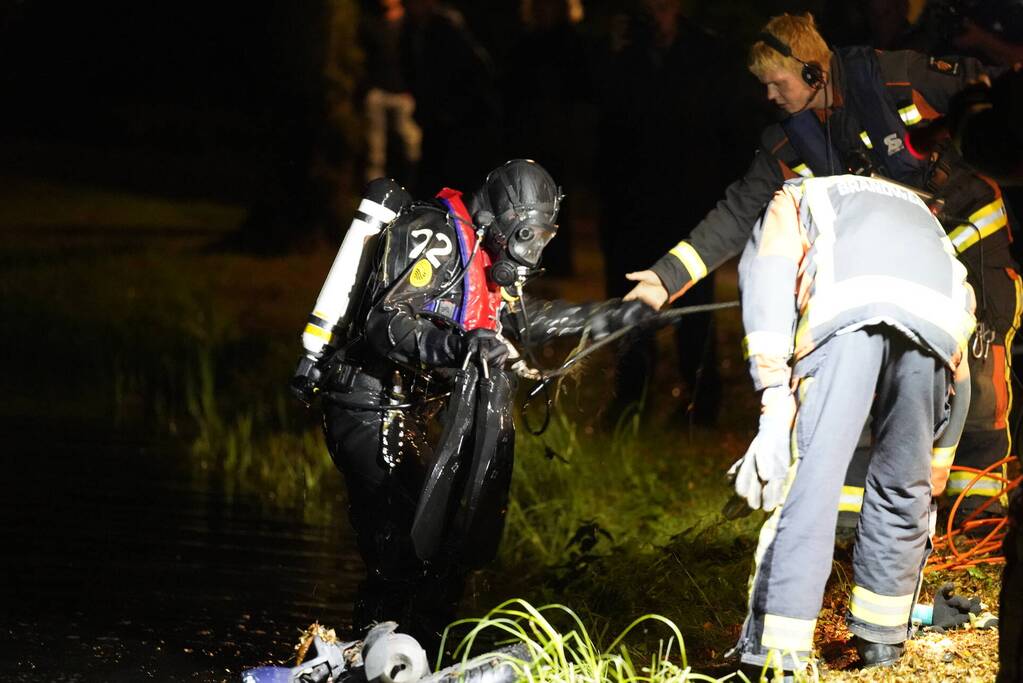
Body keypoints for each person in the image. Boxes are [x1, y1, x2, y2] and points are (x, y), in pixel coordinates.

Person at [625, 11, 1019, 522]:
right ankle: (876, 517)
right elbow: (737, 211)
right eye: (763, 86)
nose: (769, 96)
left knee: (982, 374)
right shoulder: (788, 142)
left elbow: (994, 99)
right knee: (893, 376)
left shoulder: (898, 77)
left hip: (974, 239)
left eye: (776, 82)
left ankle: (979, 517)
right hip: (909, 267)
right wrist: (663, 280)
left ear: (814, 71)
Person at [291, 160, 653, 652]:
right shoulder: (434, 236)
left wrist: (605, 316)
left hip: (416, 407)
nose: (530, 252)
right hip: (367, 401)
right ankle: (370, 650)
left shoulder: (486, 251)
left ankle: (418, 650)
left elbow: (520, 324)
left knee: (444, 549)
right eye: (525, 235)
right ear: (498, 218)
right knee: (401, 548)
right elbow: (385, 323)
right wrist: (459, 347)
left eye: (542, 238)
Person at [729, 174, 975, 674]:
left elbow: (769, 277)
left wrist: (774, 395)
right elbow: (962, 356)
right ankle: (882, 641)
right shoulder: (927, 220)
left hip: (844, 318)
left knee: (812, 481)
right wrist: (941, 458)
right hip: (935, 329)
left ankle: (776, 652)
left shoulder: (798, 194)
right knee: (904, 483)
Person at [360, 0, 422, 184]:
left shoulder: (411, 24)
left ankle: (413, 191)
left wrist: (414, 90)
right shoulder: (372, 23)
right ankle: (374, 195)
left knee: (411, 147)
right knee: (375, 151)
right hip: (379, 93)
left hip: (405, 95)